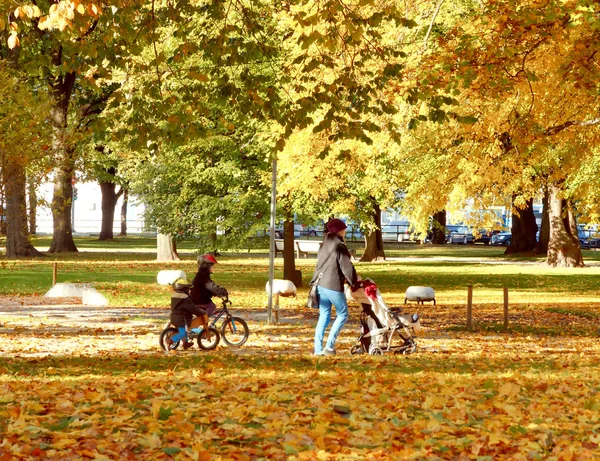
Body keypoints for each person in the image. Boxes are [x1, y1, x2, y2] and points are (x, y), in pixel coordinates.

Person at [310, 218, 358, 356]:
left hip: (320, 284)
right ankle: (329, 347)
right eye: (344, 228)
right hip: (332, 284)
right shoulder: (339, 245)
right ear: (338, 230)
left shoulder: (324, 243)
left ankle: (318, 349)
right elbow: (346, 267)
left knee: (324, 316)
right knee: (342, 314)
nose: (345, 230)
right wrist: (354, 281)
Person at [168, 278, 208, 351]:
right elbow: (192, 308)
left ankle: (186, 343)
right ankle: (171, 340)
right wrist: (201, 312)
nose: (189, 291)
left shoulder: (175, 296)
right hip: (182, 319)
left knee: (183, 330)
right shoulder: (185, 298)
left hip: (173, 317)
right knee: (183, 332)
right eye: (189, 289)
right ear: (185, 289)